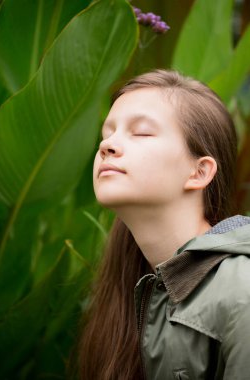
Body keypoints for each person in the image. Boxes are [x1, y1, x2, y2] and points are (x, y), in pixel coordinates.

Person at [75, 69, 250, 379]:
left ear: (199, 172)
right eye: (107, 134)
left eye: (141, 132)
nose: (107, 146)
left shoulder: (242, 290)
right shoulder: (130, 286)